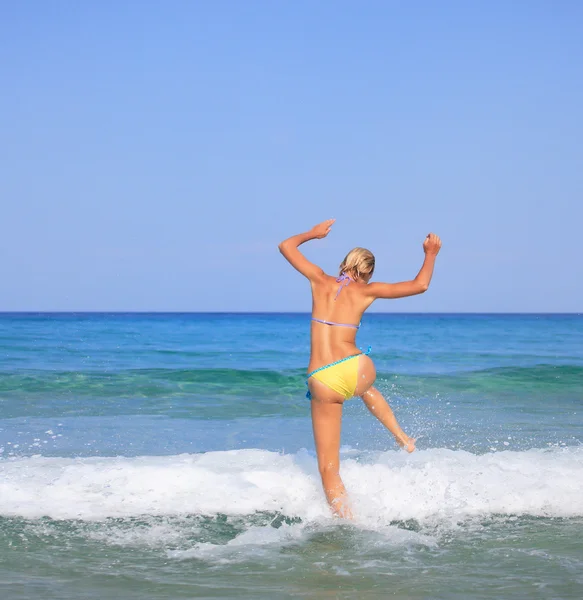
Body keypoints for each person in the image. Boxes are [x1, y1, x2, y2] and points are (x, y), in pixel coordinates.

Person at [278, 219, 442, 518]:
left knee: (328, 468)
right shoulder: (368, 291)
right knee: (365, 388)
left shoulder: (318, 279)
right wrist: (430, 253)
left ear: (344, 264)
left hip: (323, 379)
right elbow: (421, 285)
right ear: (368, 273)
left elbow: (285, 246)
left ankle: (347, 522)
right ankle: (402, 437)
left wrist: (313, 235)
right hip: (357, 367)